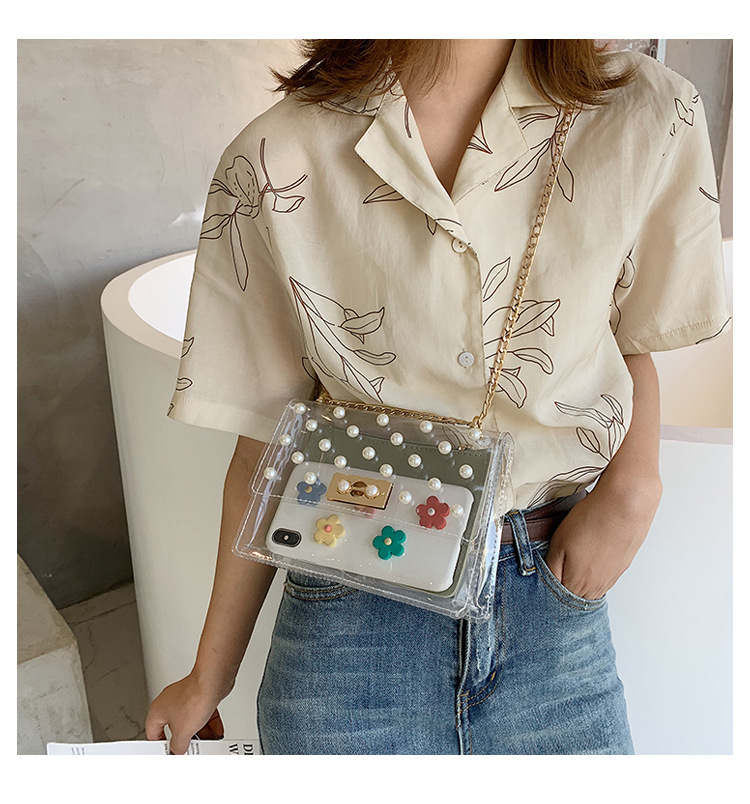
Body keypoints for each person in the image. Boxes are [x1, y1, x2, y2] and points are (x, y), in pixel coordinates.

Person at [145, 39, 732, 755]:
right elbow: (268, 442)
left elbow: (628, 333)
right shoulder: (274, 157)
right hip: (348, 613)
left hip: (547, 590)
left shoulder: (648, 113)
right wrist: (210, 672)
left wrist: (635, 490)